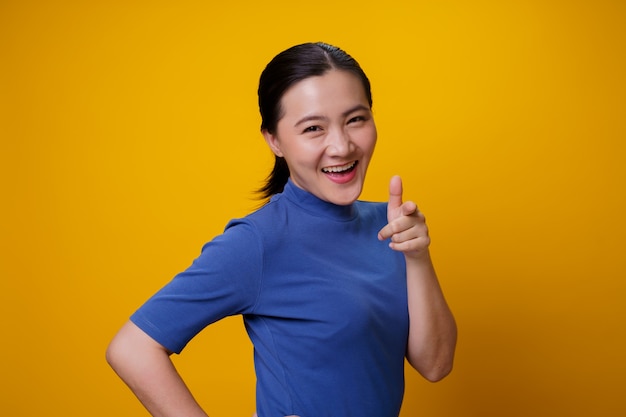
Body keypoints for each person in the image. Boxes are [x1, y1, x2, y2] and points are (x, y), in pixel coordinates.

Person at [106, 42, 457, 417]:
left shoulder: (389, 226)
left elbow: (435, 365)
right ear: (274, 140)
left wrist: (417, 257)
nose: (341, 145)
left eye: (356, 119)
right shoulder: (259, 242)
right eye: (313, 128)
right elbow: (132, 348)